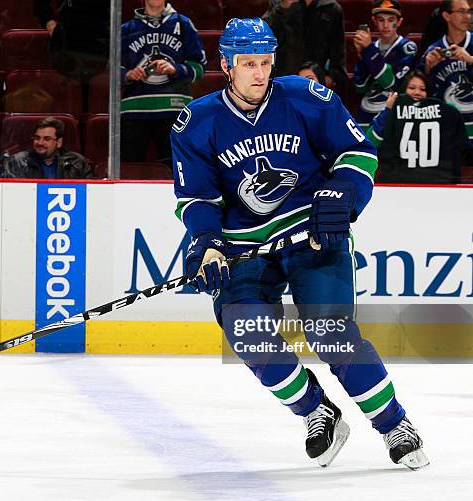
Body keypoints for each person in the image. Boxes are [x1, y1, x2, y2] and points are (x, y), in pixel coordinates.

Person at [171, 18, 429, 470]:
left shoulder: (305, 97)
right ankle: (317, 412)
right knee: (249, 334)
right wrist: (208, 243)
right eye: (248, 63)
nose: (259, 72)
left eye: (265, 62)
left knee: (331, 335)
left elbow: (358, 153)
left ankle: (394, 425)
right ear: (227, 64)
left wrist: (341, 195)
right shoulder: (197, 123)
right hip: (245, 248)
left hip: (314, 236)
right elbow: (197, 197)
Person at [121, 0, 206, 165]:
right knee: (128, 170)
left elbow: (200, 68)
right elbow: (111, 69)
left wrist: (175, 69)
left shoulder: (183, 24)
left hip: (174, 110)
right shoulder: (127, 29)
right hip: (135, 110)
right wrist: (128, 74)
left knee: (178, 170)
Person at [371, 71, 468, 183]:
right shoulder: (392, 111)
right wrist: (388, 110)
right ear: (403, 90)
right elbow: (373, 139)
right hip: (399, 184)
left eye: (423, 89)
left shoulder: (447, 112)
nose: (417, 92)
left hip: (437, 183)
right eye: (412, 88)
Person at [352, 0, 417, 131]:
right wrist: (361, 55)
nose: (385, 25)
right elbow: (360, 87)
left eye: (391, 20)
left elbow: (391, 83)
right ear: (374, 21)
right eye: (381, 20)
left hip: (395, 113)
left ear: (399, 22)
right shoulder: (369, 47)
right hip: (367, 112)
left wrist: (369, 50)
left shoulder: (407, 48)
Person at [34, 0, 110, 109]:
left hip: (100, 37)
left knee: (98, 86)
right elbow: (40, 3)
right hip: (67, 37)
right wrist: (49, 23)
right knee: (69, 89)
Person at [420, 0, 473, 145]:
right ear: (446, 15)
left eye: (468, 12)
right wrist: (427, 68)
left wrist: (470, 59)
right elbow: (418, 92)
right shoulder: (433, 50)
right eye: (461, 11)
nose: (467, 16)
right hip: (447, 131)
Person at [262, 0, 347, 91]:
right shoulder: (279, 4)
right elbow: (262, 36)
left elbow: (338, 55)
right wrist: (283, 7)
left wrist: (326, 81)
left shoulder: (331, 8)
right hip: (282, 82)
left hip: (314, 85)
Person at [1, 117, 93, 179]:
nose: (40, 143)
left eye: (47, 139)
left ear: (59, 142)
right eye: (37, 138)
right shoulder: (16, 162)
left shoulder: (77, 163)